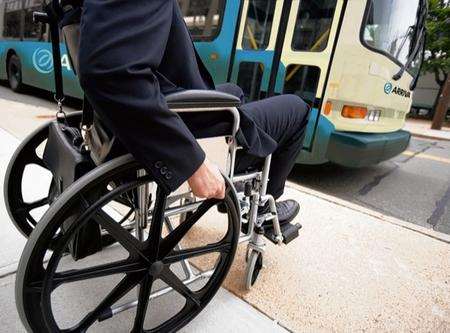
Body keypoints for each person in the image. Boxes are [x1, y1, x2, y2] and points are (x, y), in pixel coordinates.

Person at [78, 0, 310, 225]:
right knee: (297, 109)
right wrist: (191, 162)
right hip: (183, 125)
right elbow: (113, 75)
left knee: (235, 92)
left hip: (144, 113)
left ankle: (240, 191)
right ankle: (261, 208)